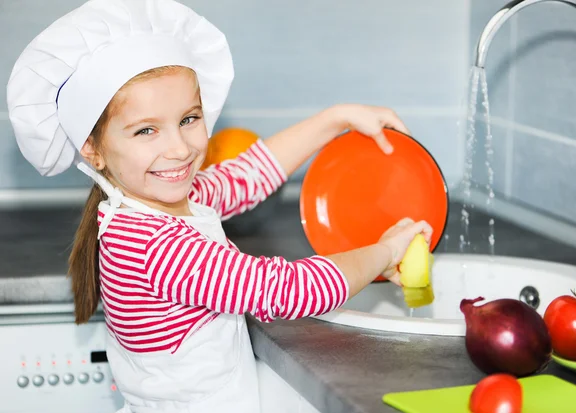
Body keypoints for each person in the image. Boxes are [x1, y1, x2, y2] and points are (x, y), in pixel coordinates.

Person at [7, 0, 434, 412]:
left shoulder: (156, 205)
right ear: (92, 148)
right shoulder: (154, 244)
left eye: (189, 119)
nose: (178, 148)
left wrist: (336, 118)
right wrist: (387, 251)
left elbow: (248, 175)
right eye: (146, 131)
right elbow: (289, 290)